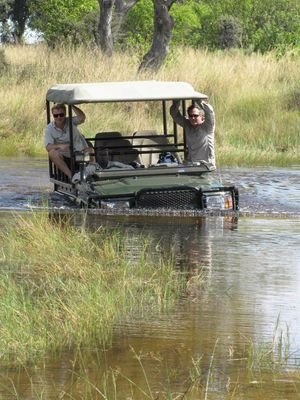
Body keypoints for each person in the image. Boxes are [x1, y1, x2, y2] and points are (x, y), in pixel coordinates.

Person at [44, 103, 94, 179]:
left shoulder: (71, 121)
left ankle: (92, 174)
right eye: (56, 115)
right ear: (53, 116)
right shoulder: (49, 128)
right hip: (66, 155)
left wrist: (71, 105)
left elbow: (82, 118)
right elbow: (48, 147)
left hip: (80, 152)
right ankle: (71, 176)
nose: (59, 117)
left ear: (65, 114)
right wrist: (60, 146)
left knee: (91, 150)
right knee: (52, 153)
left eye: (61, 114)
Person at [170, 100, 216, 167]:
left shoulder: (208, 126)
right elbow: (175, 115)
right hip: (191, 164)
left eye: (195, 115)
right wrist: (177, 101)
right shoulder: (187, 125)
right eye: (190, 116)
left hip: (206, 165)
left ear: (202, 117)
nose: (193, 118)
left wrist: (199, 101)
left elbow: (210, 112)